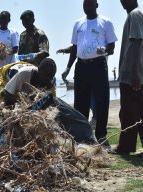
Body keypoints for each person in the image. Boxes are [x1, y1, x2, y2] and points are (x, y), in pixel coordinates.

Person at [61, 0, 118, 148]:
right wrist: (67, 68)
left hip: (99, 65)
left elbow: (111, 46)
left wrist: (104, 50)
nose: (87, 7)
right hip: (81, 66)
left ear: (96, 5)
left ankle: (101, 137)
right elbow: (75, 48)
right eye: (85, 4)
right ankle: (83, 137)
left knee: (102, 101)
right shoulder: (78, 23)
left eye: (90, 4)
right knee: (80, 103)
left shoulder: (106, 22)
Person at [112, 0, 143, 155]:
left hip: (131, 75)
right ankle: (129, 145)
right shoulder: (134, 14)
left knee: (128, 112)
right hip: (134, 73)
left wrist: (135, 73)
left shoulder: (135, 14)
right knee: (137, 112)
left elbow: (137, 42)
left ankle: (125, 146)